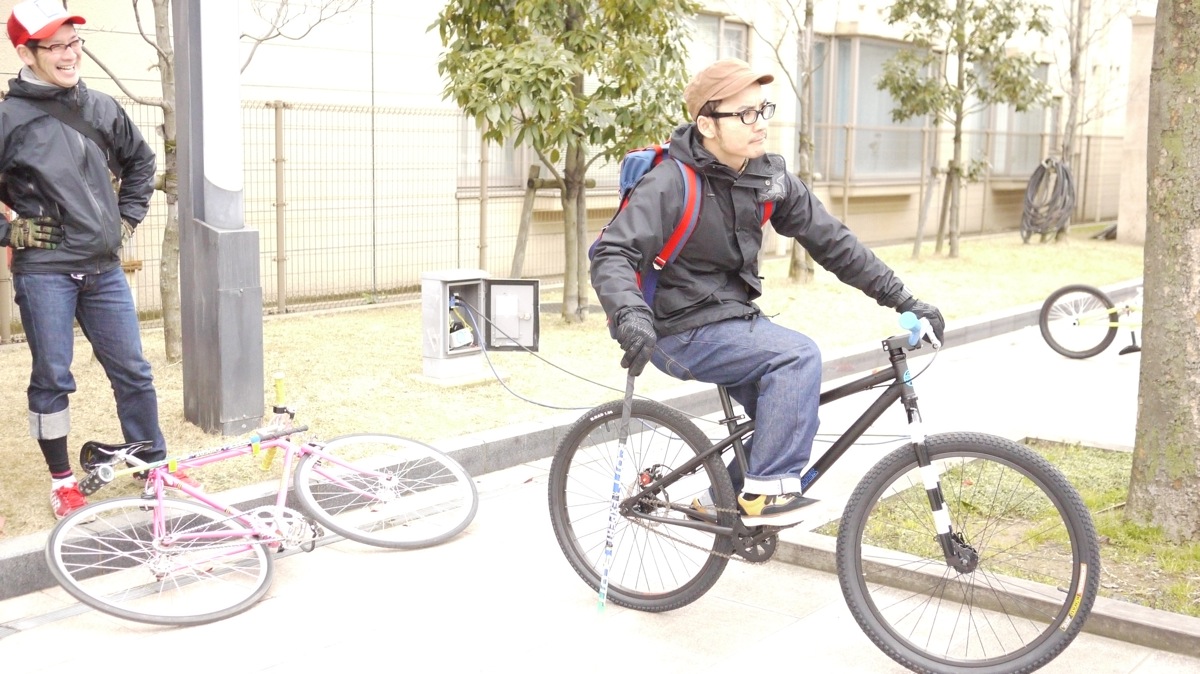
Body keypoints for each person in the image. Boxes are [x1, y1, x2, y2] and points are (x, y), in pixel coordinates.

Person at [590, 58, 945, 526]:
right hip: (674, 329)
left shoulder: (768, 179)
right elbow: (612, 253)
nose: (760, 123)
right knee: (797, 357)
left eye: (763, 110)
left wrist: (904, 299)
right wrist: (629, 315)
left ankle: (721, 503)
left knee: (792, 413)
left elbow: (834, 243)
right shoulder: (670, 183)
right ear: (707, 125)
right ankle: (766, 496)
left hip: (733, 319)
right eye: (745, 114)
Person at [1, 0, 197, 520]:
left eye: (74, 43)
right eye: (56, 46)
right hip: (45, 272)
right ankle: (63, 481)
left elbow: (142, 164)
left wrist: (126, 220)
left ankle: (152, 464)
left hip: (104, 269)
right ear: (25, 52)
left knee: (133, 371)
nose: (70, 55)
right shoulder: (7, 119)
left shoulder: (101, 107)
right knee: (52, 377)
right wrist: (9, 230)